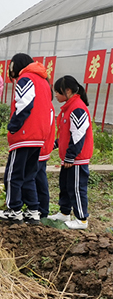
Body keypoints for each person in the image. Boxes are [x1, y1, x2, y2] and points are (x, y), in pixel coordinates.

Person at [0, 54, 53, 225]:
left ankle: (14, 209)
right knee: (29, 175)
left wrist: (13, 126)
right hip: (39, 135)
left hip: (25, 134)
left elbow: (24, 103)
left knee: (13, 175)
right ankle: (33, 210)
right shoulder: (43, 80)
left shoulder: (25, 78)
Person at [48, 76, 93, 230]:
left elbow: (79, 135)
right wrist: (52, 145)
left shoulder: (78, 108)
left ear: (67, 91)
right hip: (69, 158)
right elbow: (65, 135)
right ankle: (64, 212)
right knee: (65, 186)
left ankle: (81, 219)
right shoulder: (69, 107)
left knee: (76, 188)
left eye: (57, 92)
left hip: (77, 159)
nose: (55, 95)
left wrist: (71, 156)